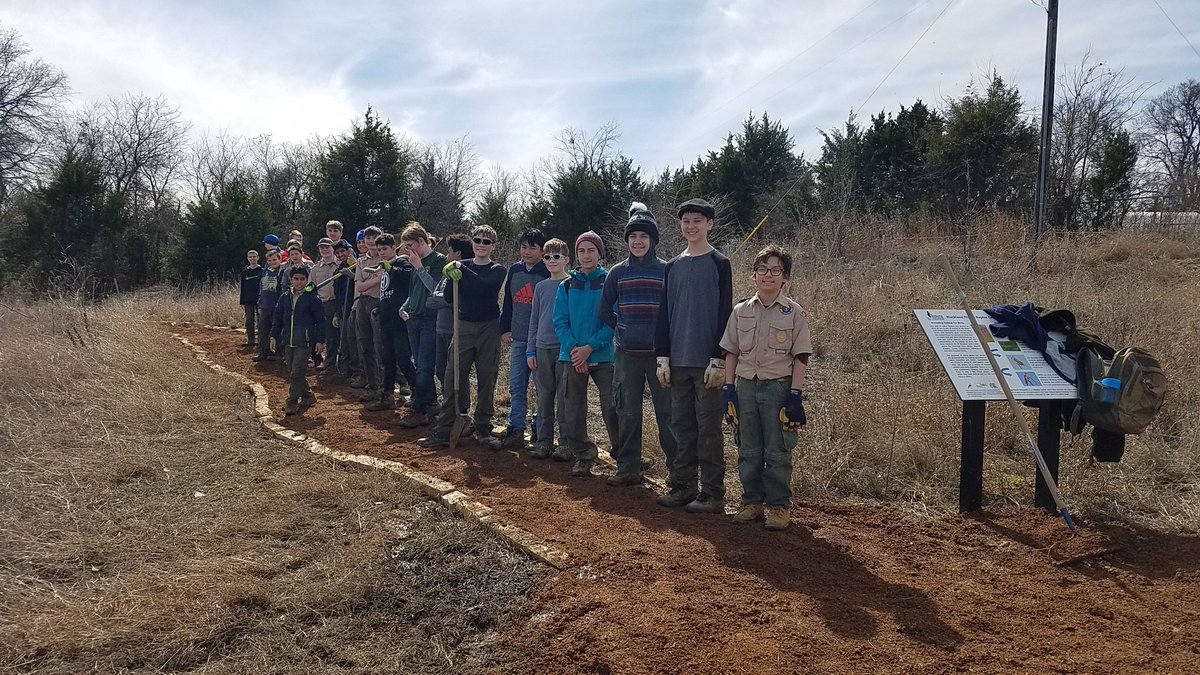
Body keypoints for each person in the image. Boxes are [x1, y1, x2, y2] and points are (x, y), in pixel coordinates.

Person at [719, 245, 811, 531]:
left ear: (785, 277)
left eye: (775, 270)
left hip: (777, 389)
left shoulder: (793, 313)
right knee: (748, 449)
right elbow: (731, 351)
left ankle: (779, 507)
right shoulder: (740, 310)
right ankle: (751, 502)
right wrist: (728, 388)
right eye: (762, 269)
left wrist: (794, 395)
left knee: (777, 451)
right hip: (746, 388)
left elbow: (801, 357)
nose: (767, 275)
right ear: (753, 275)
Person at [654, 198, 733, 513]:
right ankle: (684, 485)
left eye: (698, 220)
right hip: (677, 360)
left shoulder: (719, 263)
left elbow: (726, 312)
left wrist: (719, 357)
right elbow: (664, 314)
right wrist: (662, 355)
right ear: (680, 225)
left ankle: (713, 493)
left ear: (709, 224)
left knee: (709, 428)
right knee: (681, 426)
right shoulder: (672, 266)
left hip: (707, 363)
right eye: (686, 220)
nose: (691, 226)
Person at [599, 205, 679, 487]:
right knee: (627, 412)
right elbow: (604, 309)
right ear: (627, 240)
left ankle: (678, 474)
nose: (638, 241)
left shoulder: (668, 270)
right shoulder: (617, 272)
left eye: (643, 236)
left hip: (662, 357)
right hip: (627, 355)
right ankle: (628, 468)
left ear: (653, 240)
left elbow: (676, 309)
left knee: (668, 415)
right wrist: (622, 329)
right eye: (633, 236)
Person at [418, 225, 507, 448]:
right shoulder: (460, 267)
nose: (481, 245)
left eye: (487, 242)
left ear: (493, 246)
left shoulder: (497, 270)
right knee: (453, 376)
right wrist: (450, 276)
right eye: (478, 240)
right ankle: (445, 428)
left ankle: (483, 428)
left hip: (489, 327)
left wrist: (460, 269)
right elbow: (448, 296)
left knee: (487, 378)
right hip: (463, 326)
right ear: (473, 243)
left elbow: (485, 287)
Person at [553, 231, 617, 477]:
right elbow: (560, 321)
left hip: (603, 355)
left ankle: (623, 454)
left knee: (612, 405)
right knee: (573, 408)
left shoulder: (609, 281)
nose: (586, 255)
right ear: (576, 255)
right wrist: (575, 352)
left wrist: (590, 348)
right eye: (582, 250)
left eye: (591, 250)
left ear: (600, 254)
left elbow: (613, 319)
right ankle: (583, 453)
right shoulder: (567, 285)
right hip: (572, 356)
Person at [491, 228, 549, 450]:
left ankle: (539, 429)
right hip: (517, 338)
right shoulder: (514, 270)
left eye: (532, 248)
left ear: (542, 251)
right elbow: (508, 302)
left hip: (540, 342)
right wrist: (505, 328)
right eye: (524, 247)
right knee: (516, 385)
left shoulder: (547, 271)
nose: (527, 252)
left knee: (542, 388)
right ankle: (516, 428)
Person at [397, 222, 447, 428]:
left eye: (410, 245)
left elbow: (436, 289)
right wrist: (404, 307)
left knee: (425, 366)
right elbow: (413, 291)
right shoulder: (413, 262)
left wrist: (418, 267)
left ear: (421, 241)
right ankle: (431, 402)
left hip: (430, 318)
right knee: (419, 364)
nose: (409, 250)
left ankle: (419, 410)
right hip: (413, 317)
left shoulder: (439, 261)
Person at [526, 238, 570, 459]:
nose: (551, 261)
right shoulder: (541, 287)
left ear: (566, 260)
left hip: (564, 349)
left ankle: (565, 443)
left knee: (564, 398)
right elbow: (534, 320)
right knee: (545, 397)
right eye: (547, 257)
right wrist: (530, 350)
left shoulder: (572, 284)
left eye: (556, 256)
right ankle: (543, 442)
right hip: (542, 348)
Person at [366, 234, 418, 412]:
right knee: (386, 359)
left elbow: (408, 278)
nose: (381, 253)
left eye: (385, 249)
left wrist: (391, 268)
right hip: (386, 319)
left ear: (394, 248)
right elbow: (386, 293)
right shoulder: (383, 268)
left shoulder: (402, 263)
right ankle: (386, 394)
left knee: (403, 358)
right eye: (379, 249)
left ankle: (417, 392)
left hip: (400, 320)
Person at [270, 265, 325, 416]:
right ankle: (307, 395)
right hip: (288, 340)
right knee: (292, 371)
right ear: (290, 279)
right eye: (296, 279)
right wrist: (274, 336)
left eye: (302, 279)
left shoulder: (313, 299)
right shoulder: (284, 297)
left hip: (305, 341)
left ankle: (292, 401)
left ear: (307, 280)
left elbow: (321, 321)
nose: (299, 282)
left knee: (297, 372)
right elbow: (277, 318)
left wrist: (320, 341)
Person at [425, 233, 472, 407]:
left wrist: (443, 299)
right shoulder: (446, 274)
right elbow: (430, 300)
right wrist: (443, 299)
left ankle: (463, 409)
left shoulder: (462, 274)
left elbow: (451, 300)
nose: (446, 254)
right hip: (440, 328)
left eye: (449, 251)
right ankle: (448, 404)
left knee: (458, 372)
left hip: (455, 330)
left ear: (458, 254)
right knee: (441, 370)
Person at [350, 226, 384, 401]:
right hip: (363, 303)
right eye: (367, 238)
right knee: (365, 345)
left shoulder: (385, 258)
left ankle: (385, 388)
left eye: (373, 237)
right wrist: (377, 279)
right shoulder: (361, 261)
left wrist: (369, 282)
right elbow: (359, 287)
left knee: (380, 346)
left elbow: (366, 284)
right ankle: (372, 385)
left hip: (379, 303)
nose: (370, 241)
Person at [309, 238, 340, 370]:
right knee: (323, 334)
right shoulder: (315, 268)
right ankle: (324, 361)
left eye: (327, 247)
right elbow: (310, 287)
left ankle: (333, 364)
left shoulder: (340, 265)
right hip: (321, 304)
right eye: (322, 248)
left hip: (336, 303)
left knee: (334, 336)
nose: (325, 250)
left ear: (332, 248)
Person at [253, 249, 285, 362]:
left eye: (274, 260)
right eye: (270, 260)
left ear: (279, 259)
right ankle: (263, 352)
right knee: (263, 330)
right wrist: (260, 302)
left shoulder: (282, 272)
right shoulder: (266, 271)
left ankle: (278, 352)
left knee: (277, 330)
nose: (272, 262)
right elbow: (262, 288)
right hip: (264, 306)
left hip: (276, 306)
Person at [332, 240, 359, 378]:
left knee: (353, 338)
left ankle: (356, 370)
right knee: (344, 338)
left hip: (354, 306)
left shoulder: (356, 265)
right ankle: (345, 368)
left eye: (342, 251)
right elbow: (336, 293)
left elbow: (360, 284)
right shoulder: (338, 271)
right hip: (342, 306)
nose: (340, 254)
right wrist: (337, 312)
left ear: (348, 251)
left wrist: (352, 275)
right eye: (337, 253)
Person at [239, 249, 263, 348]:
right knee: (249, 321)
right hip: (248, 300)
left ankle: (261, 340)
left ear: (258, 258)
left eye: (254, 256)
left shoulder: (262, 271)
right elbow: (242, 288)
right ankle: (251, 340)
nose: (252, 258)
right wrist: (242, 301)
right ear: (248, 259)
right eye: (250, 257)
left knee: (261, 321)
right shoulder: (245, 272)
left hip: (260, 300)